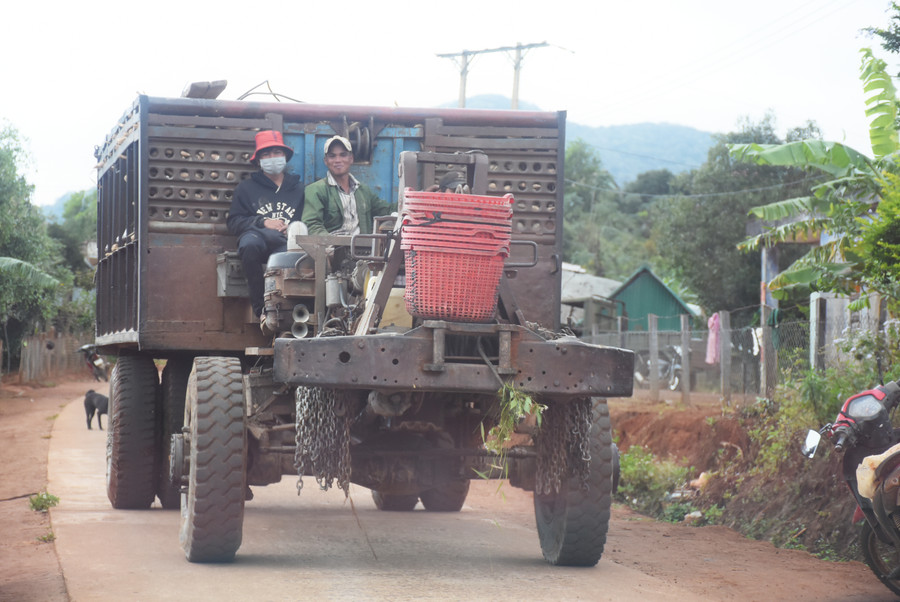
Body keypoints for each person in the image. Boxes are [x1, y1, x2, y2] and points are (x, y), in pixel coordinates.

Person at [227, 130, 305, 320]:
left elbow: (308, 220)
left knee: (296, 256)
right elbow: (234, 222)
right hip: (257, 237)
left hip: (284, 242)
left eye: (277, 152)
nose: (272, 158)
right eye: (266, 154)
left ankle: (290, 313)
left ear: (285, 156)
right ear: (258, 160)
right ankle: (261, 310)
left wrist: (294, 228)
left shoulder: (300, 189)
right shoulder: (245, 188)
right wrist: (262, 222)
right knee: (249, 245)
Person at [301, 135, 391, 235]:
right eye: (332, 156)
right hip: (330, 248)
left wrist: (407, 203)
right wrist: (331, 246)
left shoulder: (363, 191)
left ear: (351, 159)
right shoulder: (316, 190)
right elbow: (312, 225)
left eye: (343, 155)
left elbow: (386, 211)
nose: (338, 160)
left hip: (362, 248)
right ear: (325, 161)